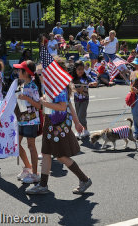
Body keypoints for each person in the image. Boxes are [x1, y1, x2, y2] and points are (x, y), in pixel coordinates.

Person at [26, 56, 92, 195]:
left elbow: (62, 107)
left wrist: (43, 102)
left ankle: (84, 179)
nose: (41, 74)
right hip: (51, 123)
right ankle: (43, 185)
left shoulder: (59, 86)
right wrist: (77, 122)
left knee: (61, 156)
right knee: (46, 153)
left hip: (58, 125)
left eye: (43, 71)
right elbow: (68, 105)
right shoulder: (51, 85)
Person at [13, 60, 42, 184]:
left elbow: (39, 106)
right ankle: (27, 167)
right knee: (16, 144)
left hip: (31, 121)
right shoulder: (21, 85)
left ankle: (35, 174)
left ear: (26, 73)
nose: (18, 71)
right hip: (21, 120)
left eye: (20, 70)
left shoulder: (33, 87)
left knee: (31, 146)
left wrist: (26, 98)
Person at [72, 61, 98, 139]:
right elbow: (70, 87)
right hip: (77, 99)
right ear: (75, 69)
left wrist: (94, 83)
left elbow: (94, 81)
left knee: (81, 116)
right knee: (78, 115)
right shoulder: (72, 78)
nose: (81, 71)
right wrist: (77, 89)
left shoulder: (86, 77)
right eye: (79, 69)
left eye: (82, 69)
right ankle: (85, 130)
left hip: (85, 99)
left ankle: (82, 131)